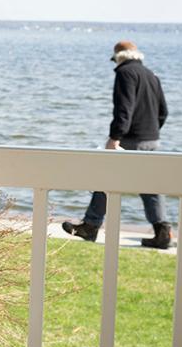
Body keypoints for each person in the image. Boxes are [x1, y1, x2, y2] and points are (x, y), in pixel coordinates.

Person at [62, 40, 170, 249]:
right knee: (152, 188)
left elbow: (124, 109)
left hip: (131, 139)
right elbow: (163, 112)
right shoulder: (151, 75)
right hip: (152, 139)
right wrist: (151, 131)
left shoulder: (124, 73)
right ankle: (162, 233)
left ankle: (91, 226)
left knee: (106, 179)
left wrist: (115, 137)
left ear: (118, 57)